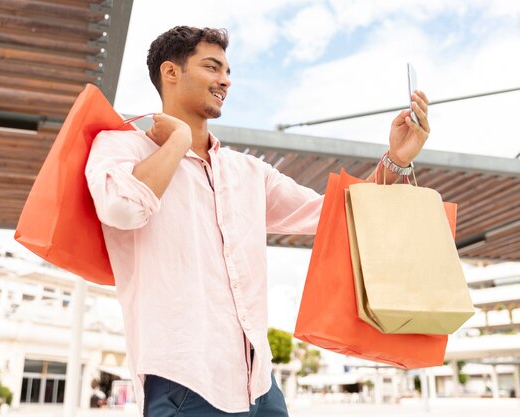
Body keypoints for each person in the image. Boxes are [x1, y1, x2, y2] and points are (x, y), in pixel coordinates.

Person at [85, 25, 430, 417]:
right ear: (171, 72)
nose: (225, 81)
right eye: (213, 67)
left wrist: (396, 160)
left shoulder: (248, 171)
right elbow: (122, 209)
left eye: (228, 72)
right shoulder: (121, 146)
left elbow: (334, 214)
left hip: (260, 386)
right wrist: (179, 140)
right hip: (184, 383)